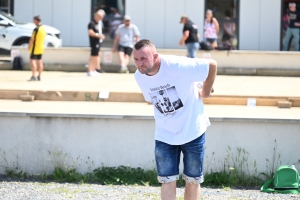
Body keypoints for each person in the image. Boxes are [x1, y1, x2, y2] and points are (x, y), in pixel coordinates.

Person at [133, 39, 217, 200]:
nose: (139, 63)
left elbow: (211, 65)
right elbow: (151, 99)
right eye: (136, 59)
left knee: (193, 180)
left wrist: (205, 91)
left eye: (143, 58)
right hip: (165, 135)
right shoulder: (139, 77)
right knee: (167, 180)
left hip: (192, 130)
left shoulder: (177, 65)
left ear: (155, 56)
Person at [87, 9, 105, 76]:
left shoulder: (98, 23)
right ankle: (90, 70)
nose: (100, 18)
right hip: (94, 42)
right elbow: (90, 32)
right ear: (96, 15)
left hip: (98, 42)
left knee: (96, 56)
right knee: (93, 56)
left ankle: (93, 70)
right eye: (99, 17)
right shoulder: (92, 23)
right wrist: (98, 36)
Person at [28, 15, 46, 81]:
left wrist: (29, 46)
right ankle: (39, 76)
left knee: (32, 61)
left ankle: (33, 75)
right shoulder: (43, 28)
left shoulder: (36, 29)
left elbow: (32, 39)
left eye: (34, 20)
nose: (33, 22)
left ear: (36, 20)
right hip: (41, 48)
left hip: (35, 48)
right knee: (40, 61)